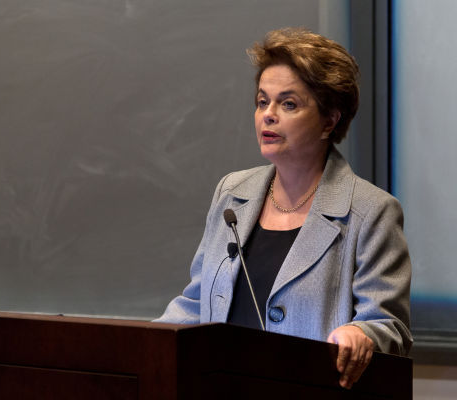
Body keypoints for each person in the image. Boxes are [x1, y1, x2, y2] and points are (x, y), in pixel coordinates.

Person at [154, 27, 412, 389]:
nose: (268, 115)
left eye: (288, 104)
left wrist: (361, 333)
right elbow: (197, 305)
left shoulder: (371, 212)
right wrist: (138, 346)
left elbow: (390, 326)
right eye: (262, 102)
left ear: (329, 120)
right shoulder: (231, 194)